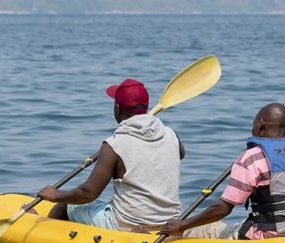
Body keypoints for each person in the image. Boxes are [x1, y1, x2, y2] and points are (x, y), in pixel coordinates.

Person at [40, 78, 185, 232]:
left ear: (117, 108)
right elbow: (180, 154)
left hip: (127, 225)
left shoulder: (113, 145)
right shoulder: (170, 134)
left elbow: (88, 193)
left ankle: (43, 231)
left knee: (67, 205)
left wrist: (56, 195)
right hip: (169, 221)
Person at [161, 102, 285, 240]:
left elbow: (223, 209)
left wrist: (182, 225)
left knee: (197, 231)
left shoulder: (252, 158)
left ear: (261, 123)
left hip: (264, 236)